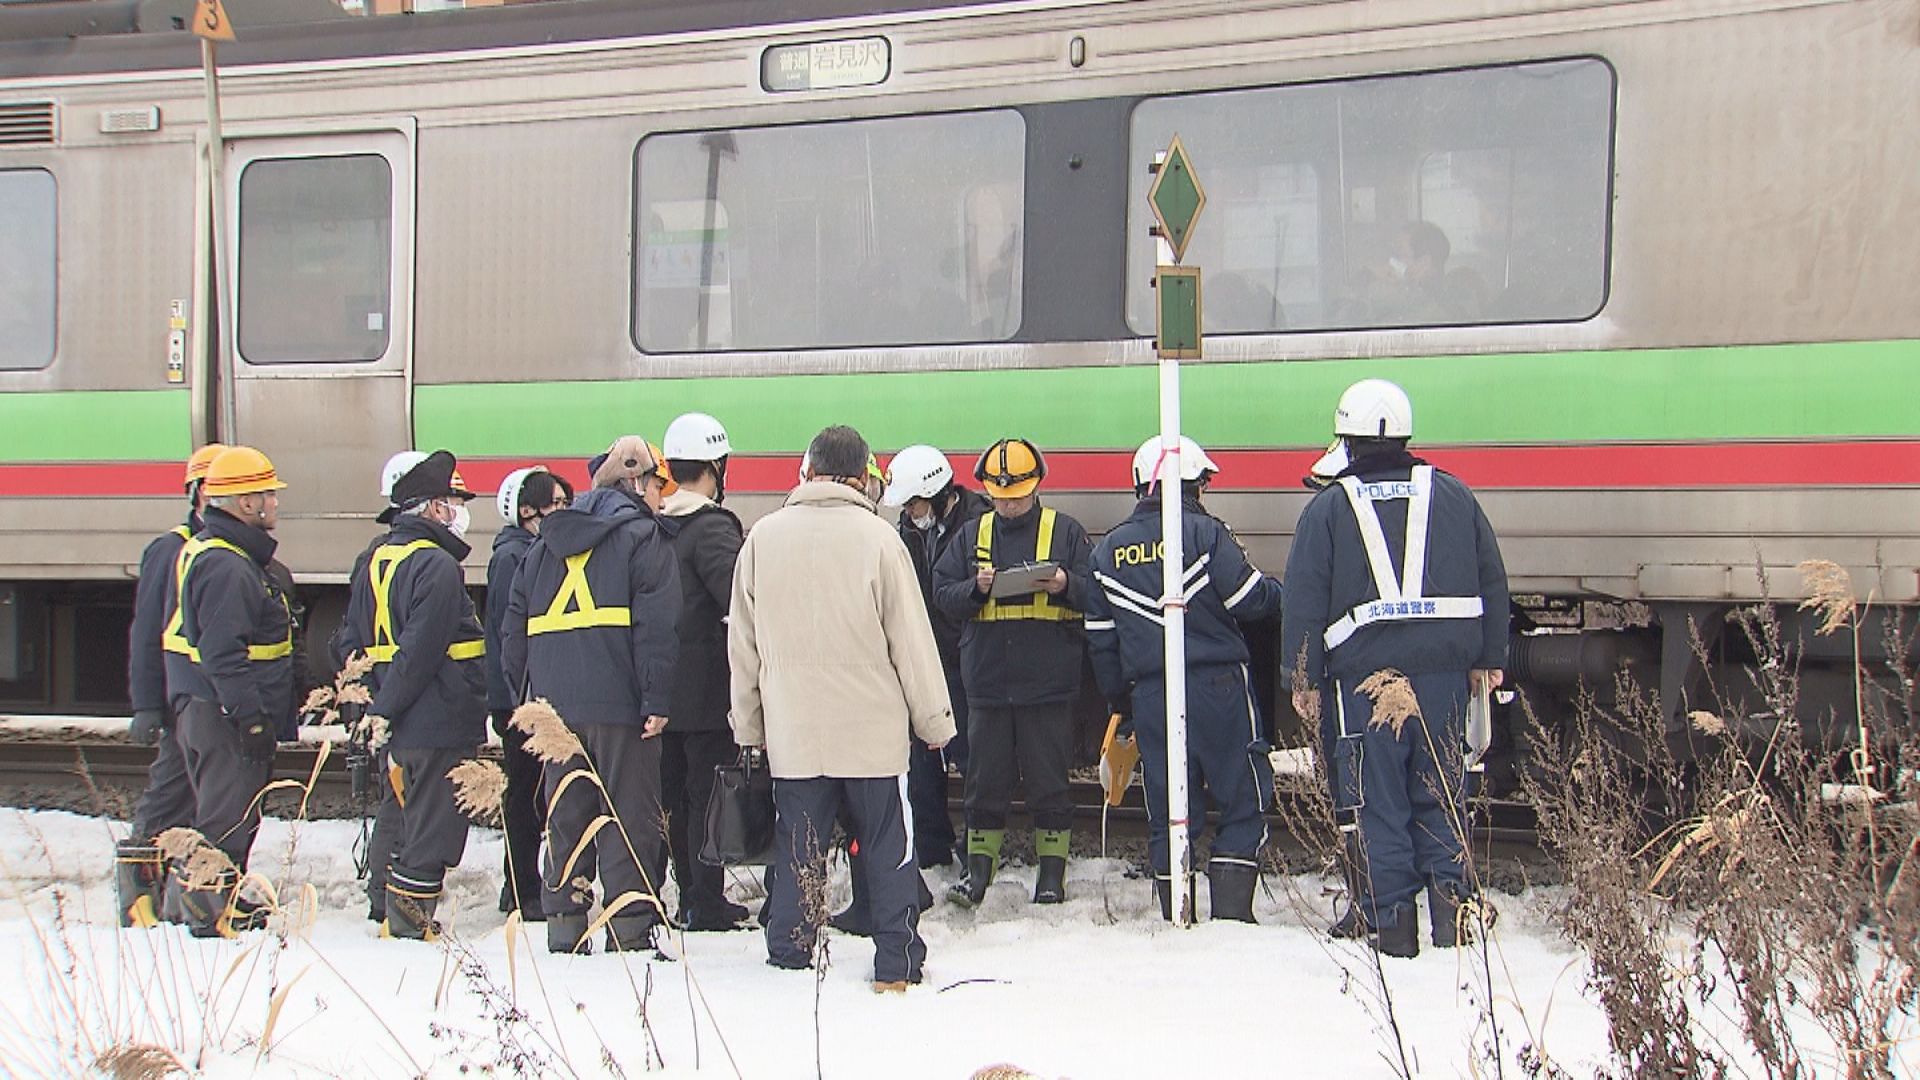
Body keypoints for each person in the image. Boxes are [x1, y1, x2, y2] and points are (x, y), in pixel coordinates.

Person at [1281, 379, 1510, 957]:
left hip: (1364, 684)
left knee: (1378, 805)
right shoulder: (1455, 496)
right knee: (1441, 798)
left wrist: (1301, 679)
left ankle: (1393, 930)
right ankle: (1453, 925)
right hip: (1443, 680)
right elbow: (1491, 577)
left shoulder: (1329, 507)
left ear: (1346, 441)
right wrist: (1490, 659)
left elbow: (1304, 598)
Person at [728, 425, 955, 992]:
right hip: (871, 735)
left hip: (794, 732)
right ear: (862, 477)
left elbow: (744, 647)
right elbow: (912, 640)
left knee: (798, 844)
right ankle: (896, 962)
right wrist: (934, 721)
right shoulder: (879, 540)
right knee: (886, 845)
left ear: (807, 472)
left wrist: (751, 726)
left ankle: (790, 953)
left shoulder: (762, 538)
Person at [1086, 437, 1283, 922]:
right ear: (1193, 485)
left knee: (1170, 810)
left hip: (1151, 694)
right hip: (1220, 689)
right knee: (1242, 797)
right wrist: (1288, 595)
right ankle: (1233, 919)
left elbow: (1102, 643)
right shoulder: (1206, 533)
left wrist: (1124, 704)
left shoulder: (1105, 554)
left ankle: (1178, 916)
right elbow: (1250, 601)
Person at [503, 437, 681, 955]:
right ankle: (629, 932)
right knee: (629, 816)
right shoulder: (644, 538)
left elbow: (514, 627)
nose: (661, 499)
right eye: (655, 485)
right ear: (633, 482)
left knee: (567, 815)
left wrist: (526, 701)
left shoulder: (541, 546)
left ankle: (565, 926)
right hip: (622, 708)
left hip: (556, 710)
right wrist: (657, 699)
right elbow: (657, 626)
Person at [932, 437, 1094, 907]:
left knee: (1051, 783)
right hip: (987, 683)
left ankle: (1051, 876)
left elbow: (1096, 593)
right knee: (983, 782)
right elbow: (941, 593)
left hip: (1048, 684)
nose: (1008, 504)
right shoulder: (970, 535)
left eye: (1017, 496)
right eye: (1000, 497)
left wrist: (1065, 584)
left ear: (1037, 487)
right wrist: (975, 590)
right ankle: (977, 871)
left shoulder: (1065, 532)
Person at [336, 451, 490, 941]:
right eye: (451, 502)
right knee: (433, 823)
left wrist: (373, 708)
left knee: (399, 809)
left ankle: (384, 906)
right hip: (437, 714)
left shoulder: (372, 560)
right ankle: (409, 922)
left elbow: (346, 640)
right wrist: (387, 708)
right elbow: (422, 652)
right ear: (430, 508)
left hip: (400, 716)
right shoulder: (437, 567)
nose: (458, 512)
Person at [161, 446, 297, 938]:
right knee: (225, 818)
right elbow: (222, 653)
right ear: (244, 503)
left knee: (231, 813)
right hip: (225, 714)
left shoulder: (222, 553)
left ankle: (210, 906)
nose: (275, 504)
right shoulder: (228, 566)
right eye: (267, 495)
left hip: (215, 708)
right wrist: (251, 717)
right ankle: (203, 917)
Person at [115, 442, 226, 927]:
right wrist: (147, 705)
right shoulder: (172, 549)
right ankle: (139, 892)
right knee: (169, 794)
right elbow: (148, 633)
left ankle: (171, 892)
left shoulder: (219, 548)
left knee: (187, 795)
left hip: (201, 698)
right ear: (200, 491)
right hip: (181, 699)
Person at [658, 412, 752, 931]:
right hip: (704, 691)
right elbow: (738, 599)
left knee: (673, 796)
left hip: (663, 690)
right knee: (704, 796)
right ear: (715, 466)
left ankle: (687, 893)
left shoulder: (655, 522)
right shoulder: (712, 526)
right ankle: (704, 900)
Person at [880, 444, 990, 869]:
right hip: (924, 657)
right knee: (922, 759)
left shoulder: (979, 525)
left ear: (940, 492)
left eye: (914, 503)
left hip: (967, 658)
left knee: (972, 754)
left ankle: (975, 846)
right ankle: (931, 846)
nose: (909, 512)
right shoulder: (909, 531)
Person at [485, 465, 572, 922]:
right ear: (526, 511)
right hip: (517, 698)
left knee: (532, 793)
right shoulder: (512, 559)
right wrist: (521, 701)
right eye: (553, 504)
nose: (562, 511)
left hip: (523, 694)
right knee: (525, 794)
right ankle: (521, 887)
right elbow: (509, 633)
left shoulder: (528, 551)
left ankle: (519, 883)